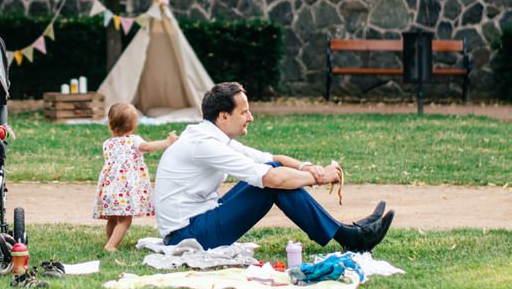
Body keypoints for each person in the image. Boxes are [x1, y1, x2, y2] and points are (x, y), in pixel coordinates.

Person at [153, 81, 395, 252]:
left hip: (199, 221)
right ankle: (350, 237)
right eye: (244, 112)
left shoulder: (210, 136)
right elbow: (273, 180)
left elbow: (272, 158)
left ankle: (349, 234)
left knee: (272, 167)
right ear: (223, 116)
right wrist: (318, 179)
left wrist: (309, 167)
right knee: (270, 183)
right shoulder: (204, 144)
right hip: (187, 235)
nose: (251, 117)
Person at [94, 102, 179, 252]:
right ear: (133, 126)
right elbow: (147, 147)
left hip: (110, 188)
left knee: (113, 218)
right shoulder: (133, 140)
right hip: (125, 189)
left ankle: (111, 240)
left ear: (110, 125)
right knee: (125, 219)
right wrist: (168, 142)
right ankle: (111, 245)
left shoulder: (107, 143)